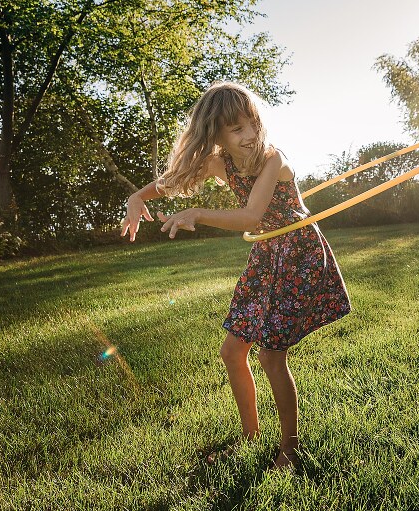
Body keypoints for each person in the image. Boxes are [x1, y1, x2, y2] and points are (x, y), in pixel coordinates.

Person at [120, 82, 351, 470]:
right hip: (267, 254)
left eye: (252, 124)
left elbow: (250, 217)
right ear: (216, 135)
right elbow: (168, 184)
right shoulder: (217, 162)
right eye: (236, 129)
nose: (249, 136)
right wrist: (136, 199)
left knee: (271, 356)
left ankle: (289, 452)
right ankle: (249, 435)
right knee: (232, 351)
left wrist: (197, 214)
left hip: (297, 255)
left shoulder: (272, 158)